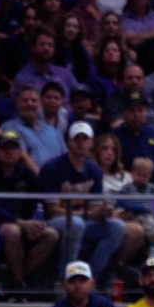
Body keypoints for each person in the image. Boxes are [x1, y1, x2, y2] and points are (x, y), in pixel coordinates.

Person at [39, 121, 127, 283]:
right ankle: (67, 278)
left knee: (117, 227)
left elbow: (94, 206)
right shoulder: (53, 168)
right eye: (76, 139)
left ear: (91, 143)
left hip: (83, 219)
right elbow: (51, 210)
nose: (81, 143)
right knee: (76, 224)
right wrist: (87, 214)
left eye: (85, 139)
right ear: (69, 142)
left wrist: (103, 211)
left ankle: (91, 278)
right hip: (55, 221)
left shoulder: (94, 170)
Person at [0, 130, 60, 296]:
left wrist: (34, 222)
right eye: (5, 148)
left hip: (23, 221)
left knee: (51, 234)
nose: (10, 152)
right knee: (12, 231)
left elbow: (43, 187)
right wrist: (22, 223)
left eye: (14, 148)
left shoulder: (24, 172)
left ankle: (17, 277)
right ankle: (18, 283)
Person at [1, 84, 67, 168]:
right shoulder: (9, 128)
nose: (29, 103)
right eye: (25, 101)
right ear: (17, 104)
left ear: (40, 104)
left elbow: (66, 158)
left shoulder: (52, 130)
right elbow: (20, 160)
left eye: (34, 100)